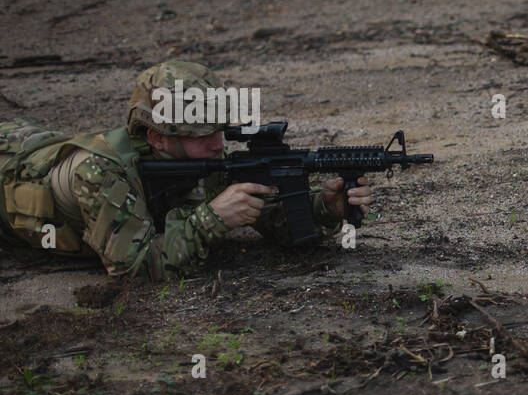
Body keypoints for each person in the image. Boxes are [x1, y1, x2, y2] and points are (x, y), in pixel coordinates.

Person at [0, 60, 371, 281]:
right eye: (201, 134)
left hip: (33, 140)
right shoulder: (100, 171)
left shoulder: (197, 159)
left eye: (220, 130)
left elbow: (270, 216)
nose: (217, 143)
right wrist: (209, 219)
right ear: (157, 138)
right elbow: (132, 269)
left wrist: (324, 207)